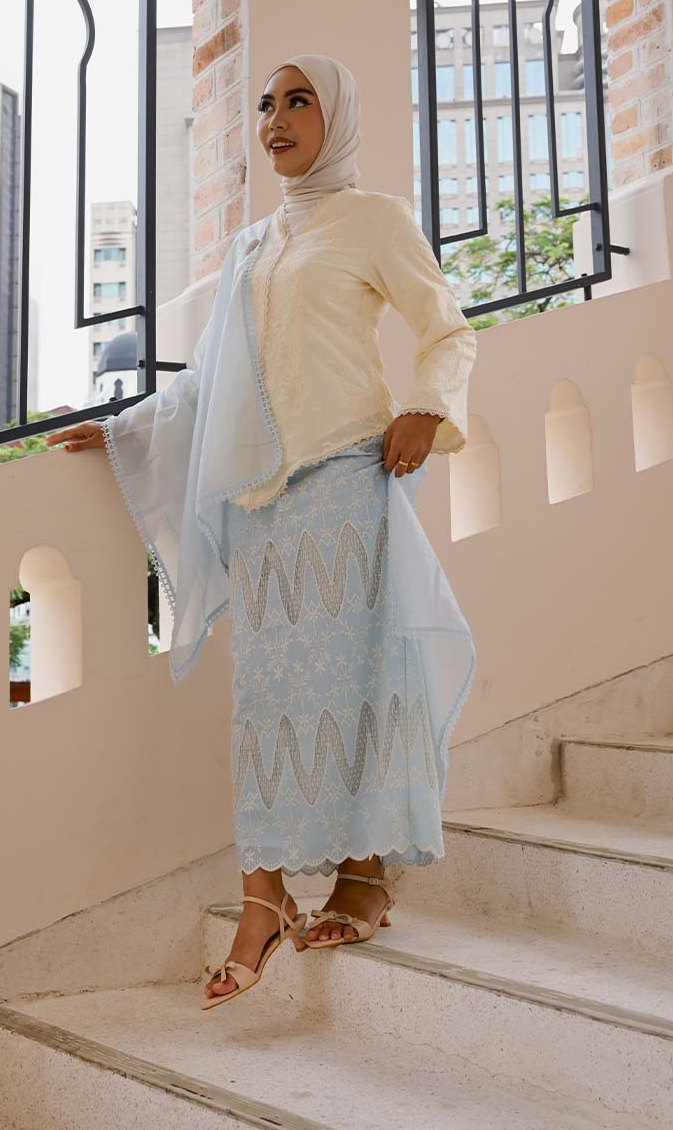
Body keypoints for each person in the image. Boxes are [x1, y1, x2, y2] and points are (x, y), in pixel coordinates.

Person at [45, 54, 477, 1012]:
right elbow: (213, 380)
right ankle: (269, 892)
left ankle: (359, 878)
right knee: (273, 701)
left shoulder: (375, 221)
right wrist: (125, 426)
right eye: (266, 105)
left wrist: (426, 406)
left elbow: (448, 330)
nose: (276, 119)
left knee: (362, 680)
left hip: (350, 479)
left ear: (337, 116)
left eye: (298, 101)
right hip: (264, 505)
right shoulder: (251, 244)